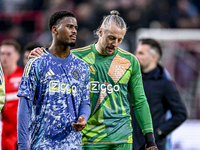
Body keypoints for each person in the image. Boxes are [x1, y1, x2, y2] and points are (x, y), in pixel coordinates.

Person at [29, 10, 158, 150]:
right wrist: (41, 55)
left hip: (121, 137)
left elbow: (140, 102)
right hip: (87, 138)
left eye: (119, 40)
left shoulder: (130, 61)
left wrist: (150, 140)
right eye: (111, 38)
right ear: (100, 32)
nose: (115, 43)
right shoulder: (76, 58)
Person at [17, 10, 91, 150]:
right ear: (55, 29)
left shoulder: (82, 67)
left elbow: (85, 102)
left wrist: (83, 117)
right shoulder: (36, 63)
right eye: (69, 26)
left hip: (73, 145)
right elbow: (24, 106)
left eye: (76, 27)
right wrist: (22, 145)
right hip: (43, 144)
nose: (74, 31)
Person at [133, 38, 187, 150]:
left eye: (141, 53)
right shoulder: (131, 79)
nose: (135, 55)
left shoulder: (165, 84)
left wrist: (159, 132)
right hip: (129, 144)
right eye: (136, 52)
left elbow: (181, 114)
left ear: (153, 57)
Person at [0, 39, 24, 150]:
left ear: (17, 56)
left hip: (24, 134)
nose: (5, 57)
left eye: (8, 54)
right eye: (2, 54)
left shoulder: (24, 77)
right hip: (5, 134)